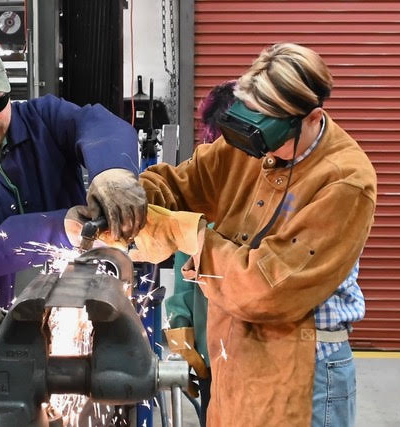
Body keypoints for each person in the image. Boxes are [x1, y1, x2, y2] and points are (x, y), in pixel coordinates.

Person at [91, 43, 376, 426]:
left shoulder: (344, 181)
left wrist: (187, 233)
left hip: (305, 364)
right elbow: (182, 184)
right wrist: (127, 191)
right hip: (235, 348)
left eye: (271, 135)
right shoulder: (252, 145)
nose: (259, 150)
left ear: (312, 119)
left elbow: (268, 290)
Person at [0, 37, 146, 327]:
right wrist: (63, 227)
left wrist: (112, 171)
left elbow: (99, 124)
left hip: (77, 315)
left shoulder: (44, 119)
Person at [163, 80, 236, 427]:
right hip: (215, 353)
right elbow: (183, 269)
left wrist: (183, 331)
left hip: (236, 355)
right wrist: (184, 339)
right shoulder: (205, 184)